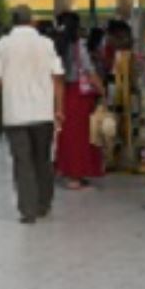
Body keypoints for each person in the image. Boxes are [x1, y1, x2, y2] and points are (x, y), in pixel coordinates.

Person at [0, 7, 64, 223]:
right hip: (43, 111)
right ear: (33, 22)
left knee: (22, 162)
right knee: (43, 159)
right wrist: (59, 108)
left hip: (15, 113)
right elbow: (57, 78)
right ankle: (44, 203)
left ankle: (28, 210)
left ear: (12, 22)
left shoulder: (2, 46)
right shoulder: (46, 44)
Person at [55, 13, 106, 190]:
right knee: (82, 137)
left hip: (63, 93)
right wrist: (102, 90)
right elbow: (89, 71)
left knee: (67, 136)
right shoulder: (78, 46)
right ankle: (76, 176)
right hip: (79, 94)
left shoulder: (56, 45)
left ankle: (67, 171)